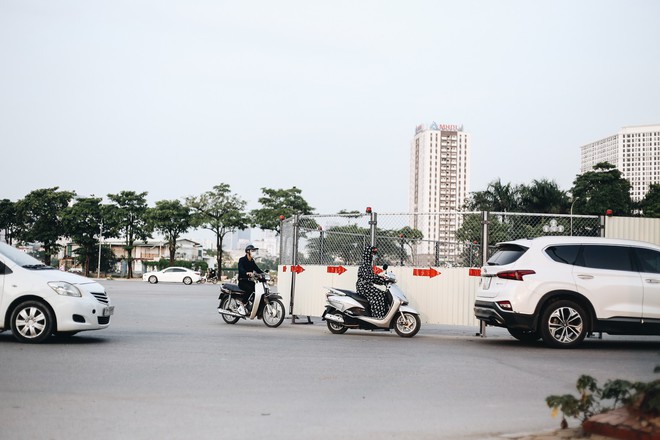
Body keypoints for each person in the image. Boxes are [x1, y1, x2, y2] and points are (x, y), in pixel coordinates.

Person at [356, 245, 387, 318]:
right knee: (378, 296)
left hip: (367, 286)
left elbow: (372, 278)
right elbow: (370, 277)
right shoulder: (365, 265)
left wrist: (382, 281)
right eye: (372, 254)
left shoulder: (368, 265)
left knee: (383, 294)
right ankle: (377, 318)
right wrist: (381, 279)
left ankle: (382, 317)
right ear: (368, 254)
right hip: (363, 287)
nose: (373, 256)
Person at [237, 244, 264, 313]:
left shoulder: (252, 261)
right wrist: (246, 273)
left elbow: (257, 269)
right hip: (242, 281)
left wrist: (263, 274)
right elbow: (241, 269)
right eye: (252, 250)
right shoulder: (242, 260)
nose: (254, 252)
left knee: (259, 291)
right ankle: (242, 303)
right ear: (248, 252)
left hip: (250, 281)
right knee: (250, 289)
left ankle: (254, 307)